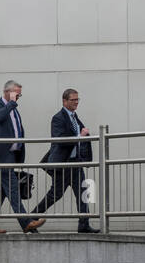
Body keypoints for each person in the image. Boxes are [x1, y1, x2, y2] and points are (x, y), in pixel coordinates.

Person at [31, 89, 99, 233]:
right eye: (73, 100)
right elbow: (61, 139)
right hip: (62, 164)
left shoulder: (74, 117)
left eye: (77, 100)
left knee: (83, 192)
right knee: (55, 195)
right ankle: (31, 219)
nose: (76, 102)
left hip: (75, 162)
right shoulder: (58, 118)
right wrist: (80, 135)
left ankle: (84, 225)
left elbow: (80, 135)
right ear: (64, 101)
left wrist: (82, 138)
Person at [0, 80, 45, 234]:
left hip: (11, 156)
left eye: (20, 94)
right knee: (13, 189)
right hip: (0, 157)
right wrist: (11, 104)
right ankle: (26, 223)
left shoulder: (13, 109)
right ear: (7, 91)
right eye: (17, 93)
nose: (19, 96)